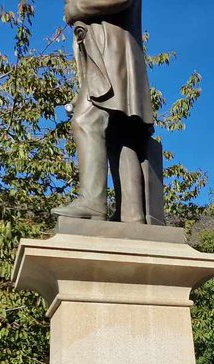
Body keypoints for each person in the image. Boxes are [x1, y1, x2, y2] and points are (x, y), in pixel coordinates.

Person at [52, 0, 157, 223]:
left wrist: (76, 8)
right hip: (112, 54)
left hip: (111, 54)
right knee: (120, 135)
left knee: (86, 120)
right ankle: (133, 215)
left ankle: (93, 202)